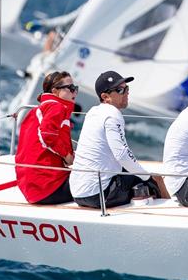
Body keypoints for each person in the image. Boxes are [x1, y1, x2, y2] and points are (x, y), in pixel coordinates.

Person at [70, 71, 169, 208]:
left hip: (78, 193)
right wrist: (149, 177)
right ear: (105, 97)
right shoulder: (112, 114)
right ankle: (168, 210)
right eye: (120, 90)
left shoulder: (93, 112)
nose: (126, 93)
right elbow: (121, 154)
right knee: (154, 180)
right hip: (99, 195)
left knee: (134, 173)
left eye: (126, 88)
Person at [15, 71, 77, 205]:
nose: (75, 93)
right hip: (48, 188)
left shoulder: (38, 110)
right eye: (71, 89)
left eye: (75, 89)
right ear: (55, 91)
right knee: (104, 180)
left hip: (32, 188)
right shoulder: (57, 107)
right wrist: (67, 156)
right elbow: (47, 136)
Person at [36, 0, 102, 52]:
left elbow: (66, 20)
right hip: (86, 41)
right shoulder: (93, 6)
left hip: (81, 42)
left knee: (52, 35)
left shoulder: (88, 6)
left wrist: (43, 23)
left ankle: (46, 59)